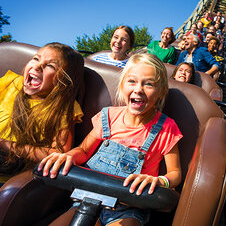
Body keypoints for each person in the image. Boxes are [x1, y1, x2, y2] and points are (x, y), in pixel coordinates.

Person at [38, 53, 182, 226]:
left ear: (161, 92)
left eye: (149, 84)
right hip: (87, 198)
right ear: (122, 86)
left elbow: (175, 173)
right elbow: (83, 151)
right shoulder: (108, 116)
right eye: (132, 81)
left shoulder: (166, 128)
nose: (138, 89)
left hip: (130, 207)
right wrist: (69, 156)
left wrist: (159, 180)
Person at [0, 43, 84, 184]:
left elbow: (58, 152)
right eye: (36, 58)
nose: (38, 66)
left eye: (50, 66)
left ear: (63, 80)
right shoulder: (12, 83)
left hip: (11, 178)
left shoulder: (62, 107)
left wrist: (7, 145)